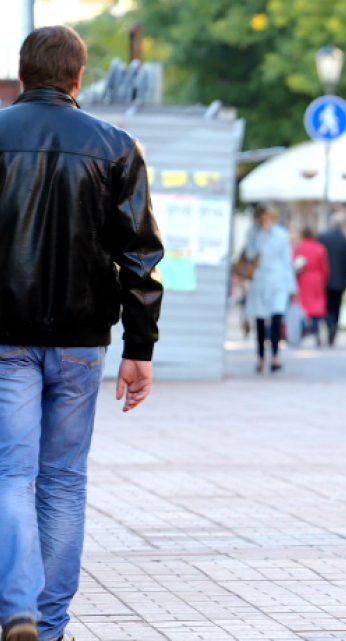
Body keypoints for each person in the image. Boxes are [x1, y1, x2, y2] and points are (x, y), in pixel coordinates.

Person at [0, 26, 163, 641]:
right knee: (63, 479)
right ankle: (48, 625)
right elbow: (141, 257)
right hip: (81, 341)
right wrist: (139, 350)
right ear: (78, 78)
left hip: (4, 336)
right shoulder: (116, 146)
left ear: (21, 76)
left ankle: (14, 604)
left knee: (12, 474)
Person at [244, 204, 296, 372]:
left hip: (278, 281)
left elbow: (286, 260)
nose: (265, 221)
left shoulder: (281, 235)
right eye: (263, 218)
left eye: (268, 218)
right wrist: (259, 236)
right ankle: (260, 357)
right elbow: (250, 254)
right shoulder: (254, 234)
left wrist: (291, 286)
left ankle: (275, 356)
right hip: (259, 281)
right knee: (259, 321)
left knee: (276, 318)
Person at [318, 214, 346, 346]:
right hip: (340, 280)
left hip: (324, 279)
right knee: (336, 306)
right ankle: (333, 325)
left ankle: (329, 323)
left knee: (325, 305)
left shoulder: (322, 238)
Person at [293, 228, 330, 347]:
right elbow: (324, 267)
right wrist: (323, 279)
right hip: (316, 279)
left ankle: (303, 331)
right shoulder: (319, 247)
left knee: (303, 305)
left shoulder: (298, 248)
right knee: (316, 306)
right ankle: (315, 330)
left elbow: (292, 264)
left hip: (302, 279)